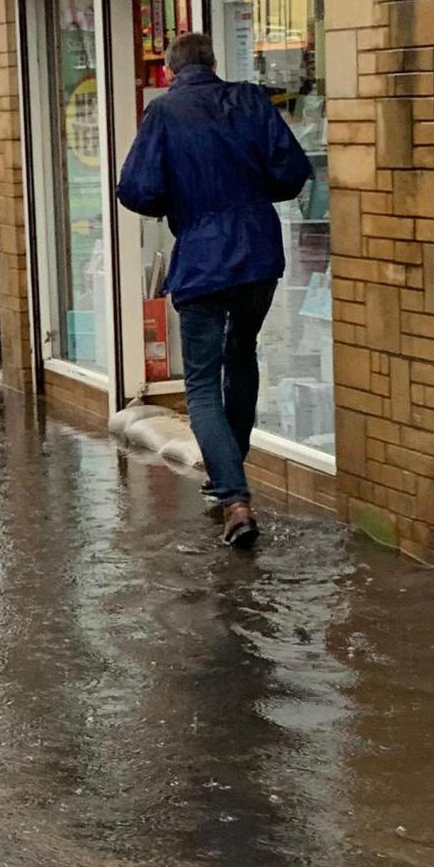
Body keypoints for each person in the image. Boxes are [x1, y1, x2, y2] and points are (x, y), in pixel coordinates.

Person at [117, 32, 313, 550]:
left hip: (203, 259)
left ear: (168, 71)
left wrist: (178, 198)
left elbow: (135, 189)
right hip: (258, 252)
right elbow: (293, 172)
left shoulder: (163, 113)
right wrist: (251, 194)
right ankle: (230, 476)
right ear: (214, 62)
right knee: (241, 355)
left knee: (202, 383)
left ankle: (234, 498)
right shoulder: (250, 99)